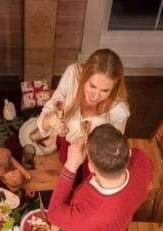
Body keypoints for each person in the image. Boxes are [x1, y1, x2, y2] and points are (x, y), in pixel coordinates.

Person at [47, 124, 153, 231]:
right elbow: (138, 155)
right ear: (128, 153)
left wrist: (71, 166)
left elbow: (54, 215)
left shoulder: (88, 213)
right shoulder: (142, 162)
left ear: (90, 167)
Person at [37, 49, 129, 178]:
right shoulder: (72, 75)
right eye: (92, 86)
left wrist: (93, 147)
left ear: (114, 87)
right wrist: (50, 119)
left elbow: (113, 150)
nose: (95, 96)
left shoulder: (119, 111)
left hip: (93, 159)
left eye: (105, 90)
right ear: (84, 76)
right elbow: (44, 122)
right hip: (67, 147)